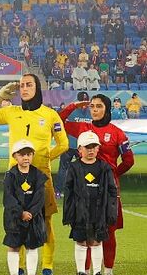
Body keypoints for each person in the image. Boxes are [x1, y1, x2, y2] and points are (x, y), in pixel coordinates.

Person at [0, 75, 68, 275]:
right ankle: (19, 267)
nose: (24, 88)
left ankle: (47, 266)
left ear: (38, 88)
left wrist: (45, 159)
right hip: (15, 178)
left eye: (29, 85)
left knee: (44, 221)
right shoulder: (11, 112)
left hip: (40, 177)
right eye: (21, 86)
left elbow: (63, 144)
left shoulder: (50, 115)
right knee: (17, 221)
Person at [58, 94, 134, 274]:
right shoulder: (83, 128)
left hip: (108, 191)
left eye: (99, 106)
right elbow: (58, 121)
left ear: (107, 109)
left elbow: (129, 160)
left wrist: (113, 174)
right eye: (92, 106)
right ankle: (84, 270)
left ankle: (107, 270)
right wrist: (74, 105)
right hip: (83, 190)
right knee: (84, 231)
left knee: (108, 232)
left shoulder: (117, 133)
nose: (94, 110)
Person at [63, 131, 118, 275]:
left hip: (99, 212)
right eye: (87, 147)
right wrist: (69, 214)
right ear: (80, 149)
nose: (91, 150)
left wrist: (111, 213)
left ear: (98, 148)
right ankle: (81, 271)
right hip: (80, 212)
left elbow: (112, 192)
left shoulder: (104, 168)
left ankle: (97, 272)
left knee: (96, 241)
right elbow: (68, 193)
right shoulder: (74, 167)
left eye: (94, 147)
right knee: (81, 241)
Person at [2, 140, 47, 275]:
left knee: (32, 247)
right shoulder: (10, 175)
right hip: (14, 219)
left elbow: (39, 197)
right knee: (13, 246)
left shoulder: (38, 175)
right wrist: (21, 213)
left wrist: (31, 213)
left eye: (29, 154)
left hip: (33, 219)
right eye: (22, 154)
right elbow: (8, 198)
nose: (26, 157)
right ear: (15, 156)